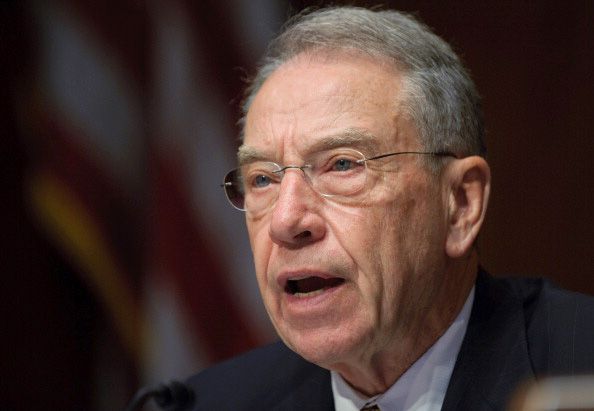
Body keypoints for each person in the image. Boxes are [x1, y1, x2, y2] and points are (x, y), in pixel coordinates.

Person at [185, 6, 594, 410]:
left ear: (460, 204)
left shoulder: (579, 372)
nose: (285, 220)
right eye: (262, 179)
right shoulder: (207, 404)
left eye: (342, 165)